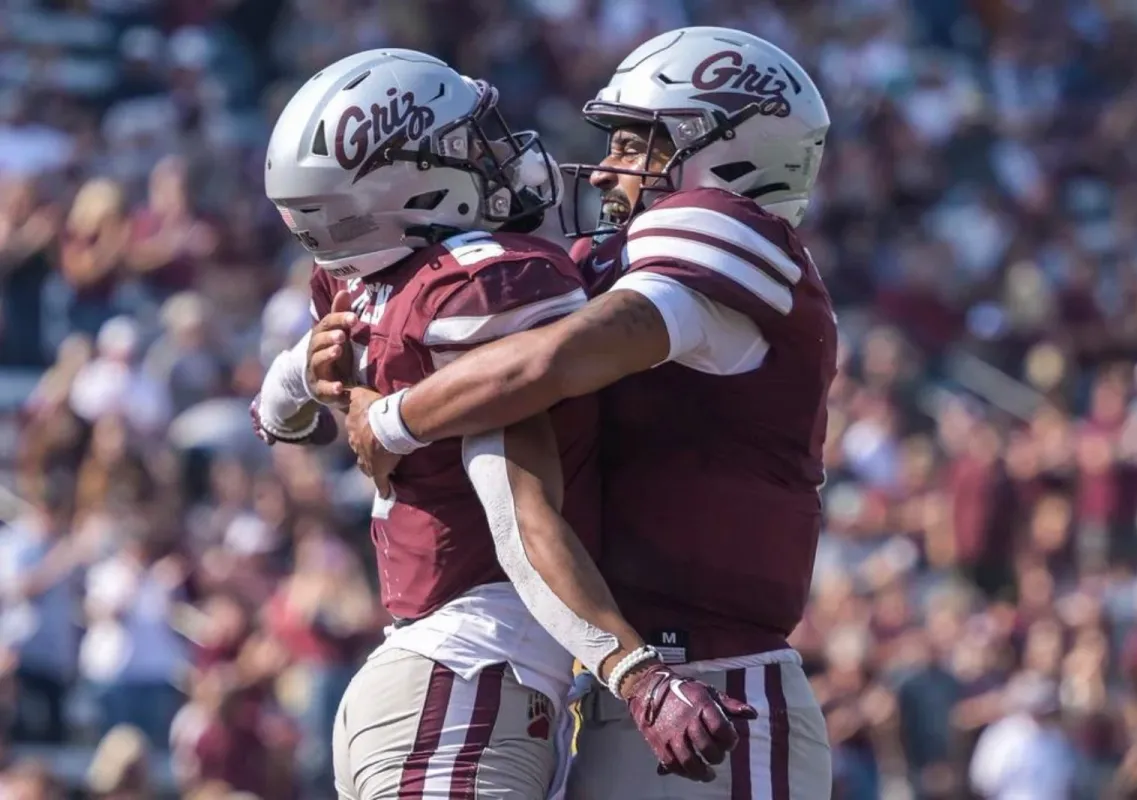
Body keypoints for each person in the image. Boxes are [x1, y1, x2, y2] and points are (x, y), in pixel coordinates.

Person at [316, 26, 837, 800]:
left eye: (635, 144)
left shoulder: (733, 232)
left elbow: (552, 361)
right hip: (623, 688)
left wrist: (391, 418)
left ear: (724, 151)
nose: (608, 170)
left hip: (722, 688)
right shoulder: (606, 267)